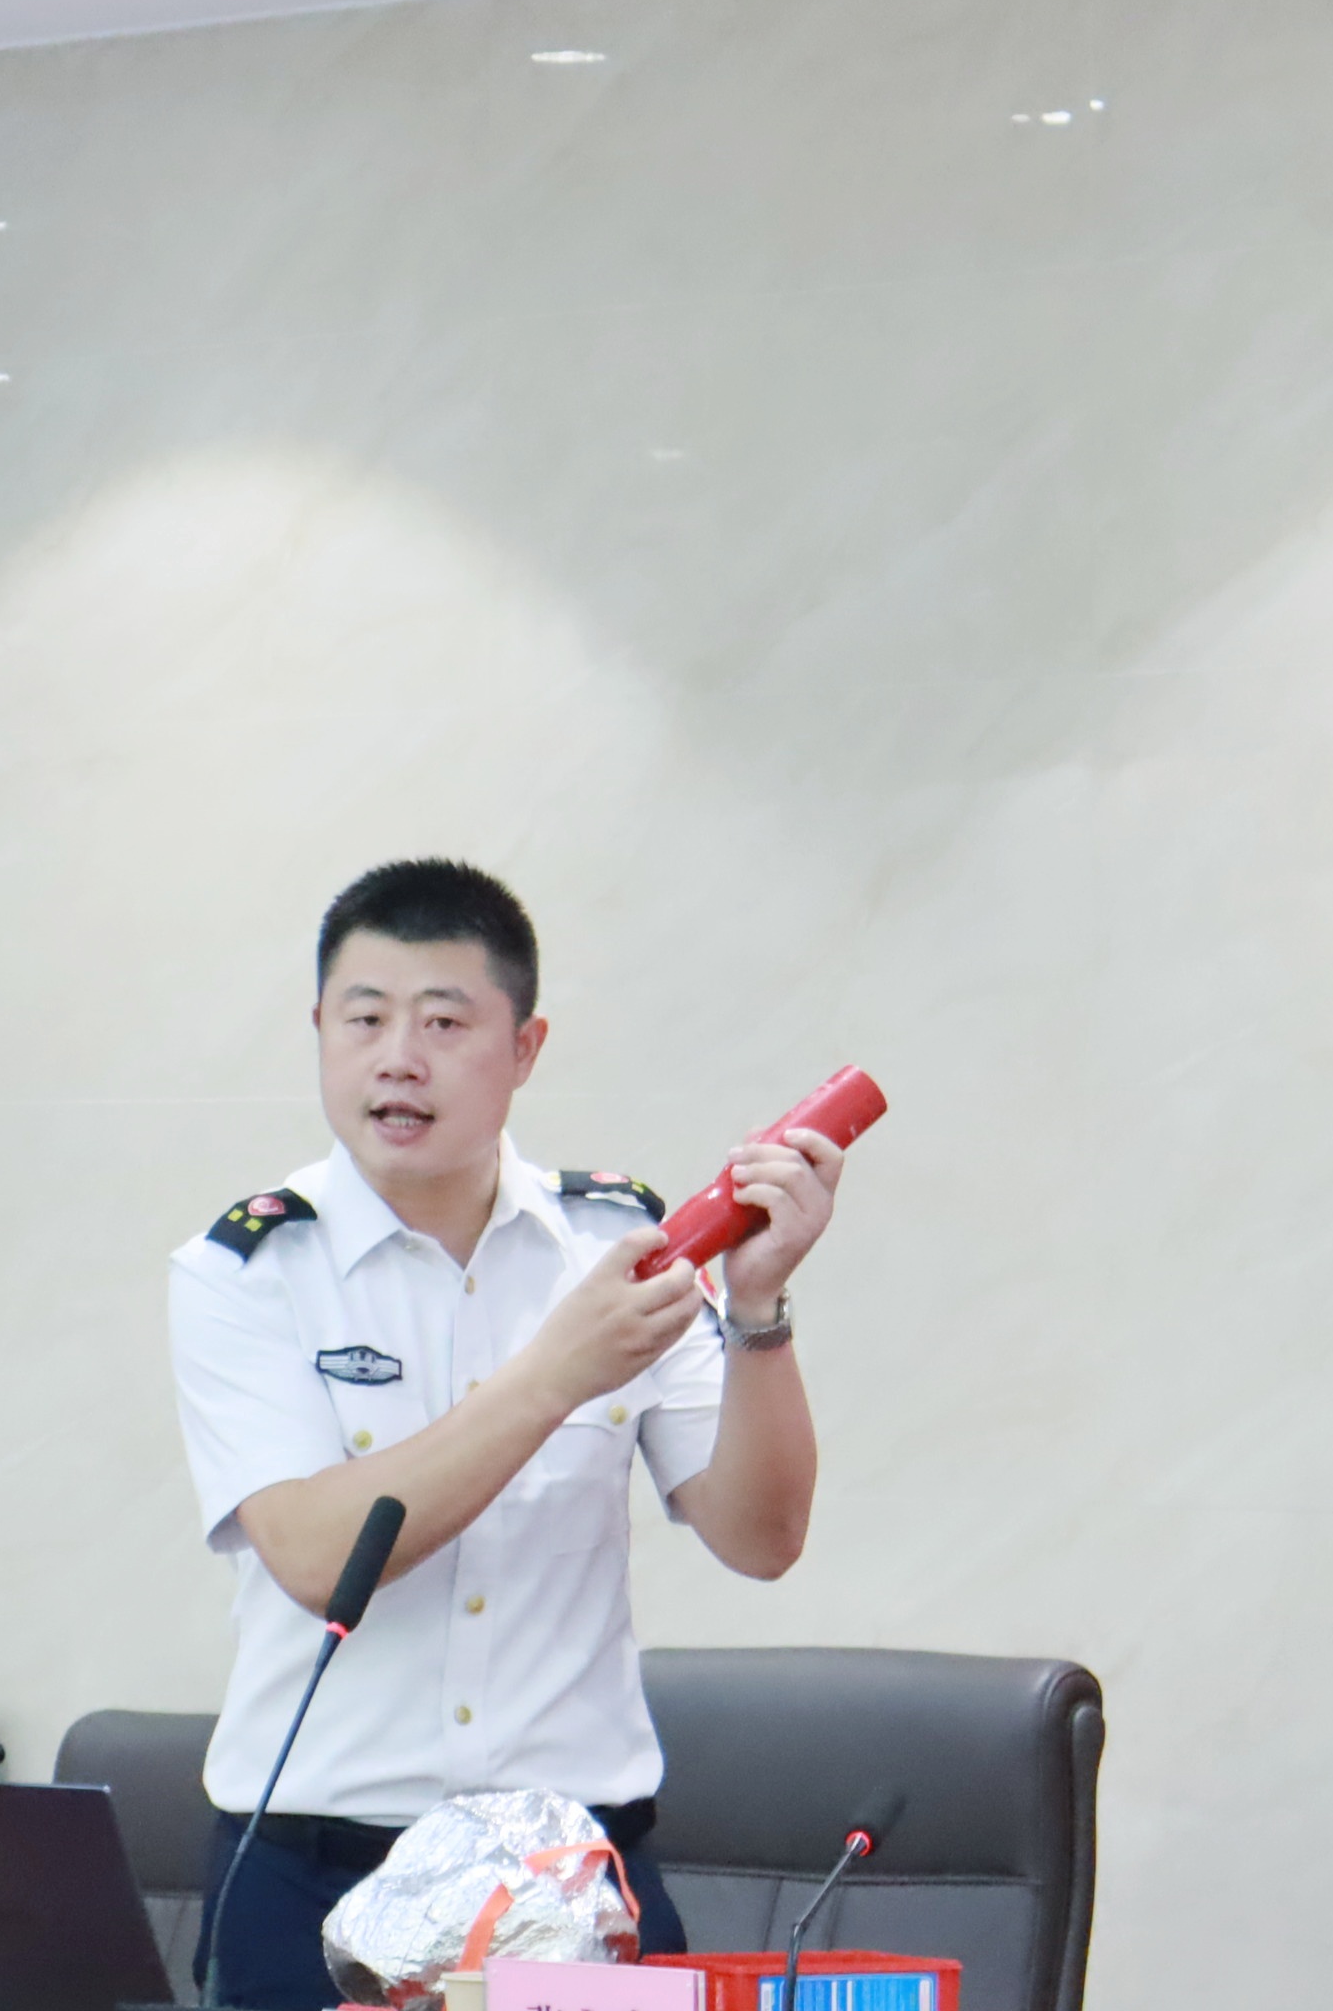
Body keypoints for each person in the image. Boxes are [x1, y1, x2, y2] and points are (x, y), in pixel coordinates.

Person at [168, 858, 850, 2010]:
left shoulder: (614, 1244)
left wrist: (757, 1306)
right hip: (318, 1876)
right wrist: (555, 1372)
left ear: (525, 1048)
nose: (399, 1057)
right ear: (319, 1029)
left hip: (578, 1878)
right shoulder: (246, 1269)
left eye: (444, 1022)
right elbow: (321, 1556)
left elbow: (762, 1536)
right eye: (365, 1018)